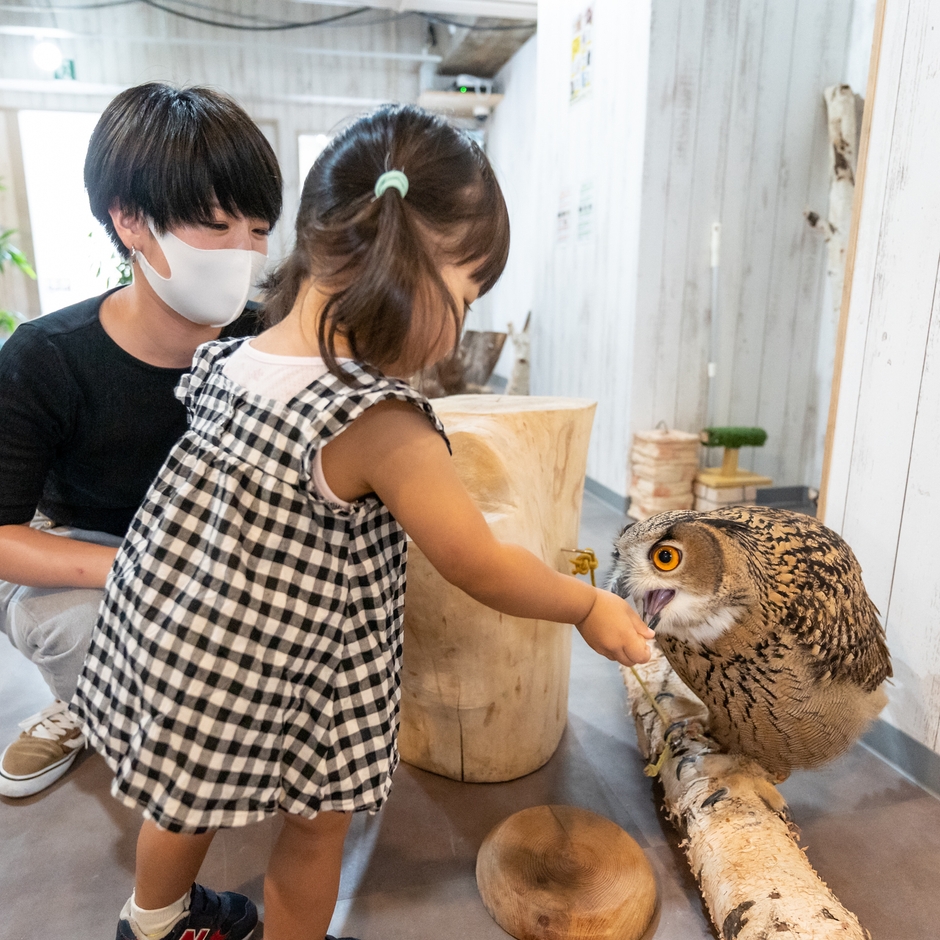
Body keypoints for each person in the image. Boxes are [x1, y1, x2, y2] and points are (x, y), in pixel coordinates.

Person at [72, 103, 655, 940]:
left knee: (183, 791)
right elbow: (475, 560)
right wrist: (587, 603)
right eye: (466, 292)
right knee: (315, 828)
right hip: (294, 668)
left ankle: (153, 921)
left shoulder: (238, 354)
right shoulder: (378, 421)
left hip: (185, 642)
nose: (462, 321)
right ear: (403, 269)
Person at [0, 82, 283, 799]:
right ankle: (85, 708)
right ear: (129, 220)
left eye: (258, 229)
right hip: (88, 549)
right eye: (218, 225)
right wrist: (145, 565)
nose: (244, 252)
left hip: (220, 545)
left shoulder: (267, 337)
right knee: (85, 627)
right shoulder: (46, 357)